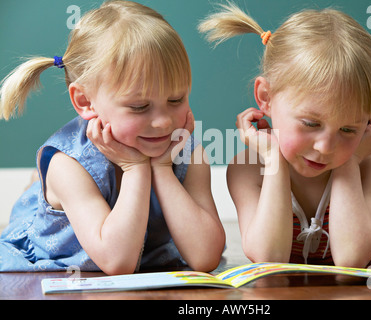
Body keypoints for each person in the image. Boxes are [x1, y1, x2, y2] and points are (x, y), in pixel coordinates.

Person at [199, 3, 371, 268]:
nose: (325, 147)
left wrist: (351, 162)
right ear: (266, 98)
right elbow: (269, 258)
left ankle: (370, 120)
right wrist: (273, 158)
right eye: (310, 123)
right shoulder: (248, 170)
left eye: (347, 128)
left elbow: (351, 259)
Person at [0, 0, 225, 275]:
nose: (164, 121)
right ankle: (38, 190)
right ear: (85, 101)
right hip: (64, 253)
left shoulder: (186, 152)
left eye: (176, 99)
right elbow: (118, 263)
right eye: (139, 107)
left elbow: (206, 258)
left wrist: (163, 169)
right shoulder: (69, 166)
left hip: (141, 253)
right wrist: (136, 167)